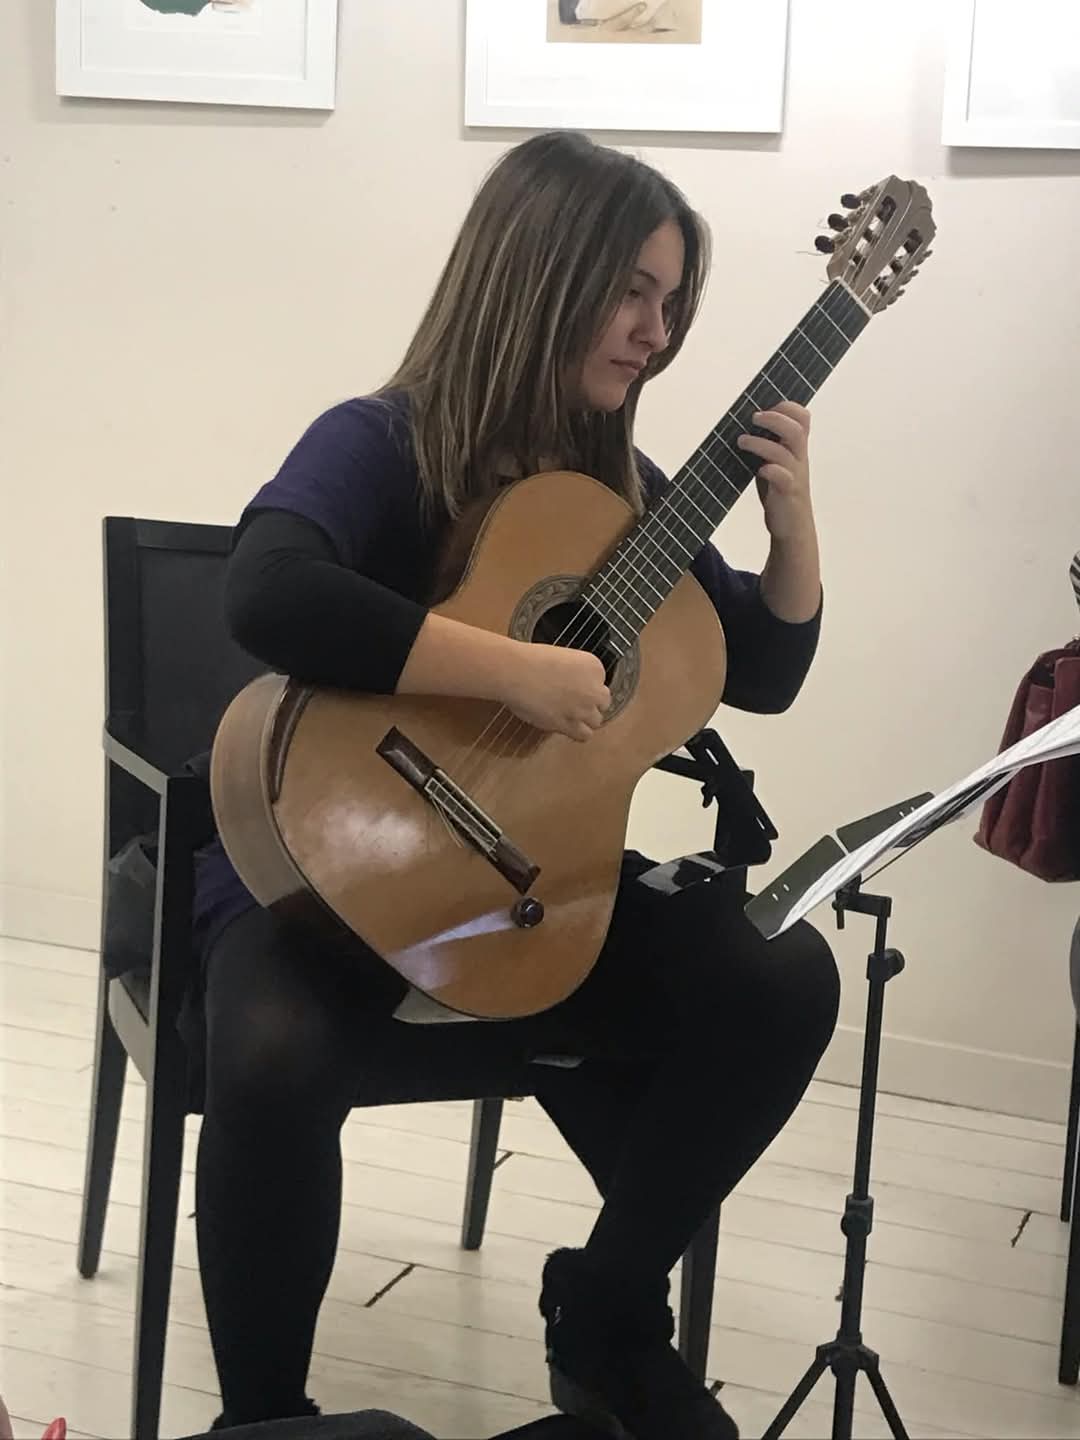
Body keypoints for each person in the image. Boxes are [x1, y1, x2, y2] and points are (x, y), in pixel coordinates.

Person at [189, 131, 840, 1440]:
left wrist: (793, 525)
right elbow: (267, 590)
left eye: (673, 302)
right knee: (268, 1046)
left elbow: (762, 672)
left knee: (781, 978)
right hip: (336, 873)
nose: (657, 332)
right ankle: (267, 1423)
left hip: (529, 889)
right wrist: (514, 670)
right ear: (539, 273)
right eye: (632, 292)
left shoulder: (625, 492)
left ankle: (605, 1311)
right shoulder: (385, 438)